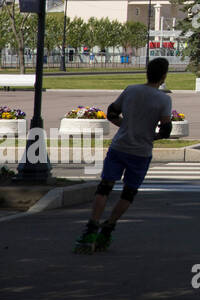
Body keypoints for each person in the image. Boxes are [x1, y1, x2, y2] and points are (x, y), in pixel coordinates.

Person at [74, 57, 174, 253]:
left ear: (147, 72)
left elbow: (112, 112)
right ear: (163, 77)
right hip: (141, 151)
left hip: (119, 146)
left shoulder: (131, 90)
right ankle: (108, 228)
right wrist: (151, 135)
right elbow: (166, 130)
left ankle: (91, 228)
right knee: (129, 192)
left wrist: (125, 126)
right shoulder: (164, 99)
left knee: (104, 188)